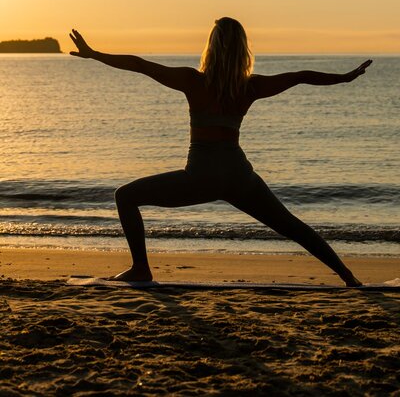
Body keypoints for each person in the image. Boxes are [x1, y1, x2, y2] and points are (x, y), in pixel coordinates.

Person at [69, 18, 372, 285]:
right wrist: (344, 78)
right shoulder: (250, 87)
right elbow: (301, 75)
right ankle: (349, 277)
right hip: (239, 177)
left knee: (125, 196)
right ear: (243, 50)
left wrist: (95, 54)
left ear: (210, 48)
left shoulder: (192, 81)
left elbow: (140, 64)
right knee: (293, 226)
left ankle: (141, 269)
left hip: (200, 177)